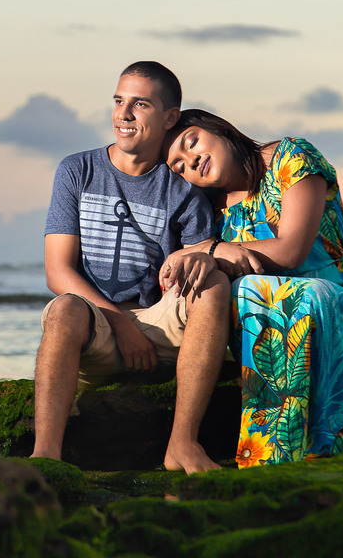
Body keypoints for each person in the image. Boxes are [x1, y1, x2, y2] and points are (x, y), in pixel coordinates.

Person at [31, 63, 232, 474]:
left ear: (169, 117)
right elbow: (57, 272)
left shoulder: (184, 187)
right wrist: (120, 325)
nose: (123, 114)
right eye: (119, 101)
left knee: (211, 283)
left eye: (140, 104)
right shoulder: (77, 171)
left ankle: (182, 444)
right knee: (65, 308)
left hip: (160, 328)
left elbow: (194, 266)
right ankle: (46, 456)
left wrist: (204, 259)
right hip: (98, 329)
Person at [164, 109, 343, 466]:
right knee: (242, 290)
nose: (192, 160)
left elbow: (291, 250)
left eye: (192, 143)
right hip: (260, 327)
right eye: (179, 166)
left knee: (290, 292)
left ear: (220, 130)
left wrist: (212, 249)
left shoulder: (291, 158)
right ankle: (269, 452)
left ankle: (279, 453)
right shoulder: (210, 211)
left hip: (339, 313)